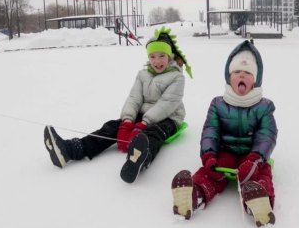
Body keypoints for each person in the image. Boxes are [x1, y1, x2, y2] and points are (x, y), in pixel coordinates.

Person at [44, 26, 192, 183]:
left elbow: (167, 103)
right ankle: (71, 150)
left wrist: (143, 123)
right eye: (152, 56)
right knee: (112, 126)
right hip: (143, 115)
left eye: (162, 56)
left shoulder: (176, 77)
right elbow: (134, 98)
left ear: (169, 57)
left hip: (169, 117)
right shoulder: (143, 74)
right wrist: (128, 121)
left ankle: (140, 158)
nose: (157, 61)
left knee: (154, 133)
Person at [171, 40, 277, 227]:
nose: (241, 76)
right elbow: (210, 131)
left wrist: (255, 159)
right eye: (236, 72)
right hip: (225, 152)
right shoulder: (218, 104)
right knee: (211, 172)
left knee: (261, 172)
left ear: (255, 79)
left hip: (251, 155)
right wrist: (209, 155)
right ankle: (195, 194)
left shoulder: (263, 107)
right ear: (229, 77)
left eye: (247, 73)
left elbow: (266, 135)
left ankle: (260, 200)